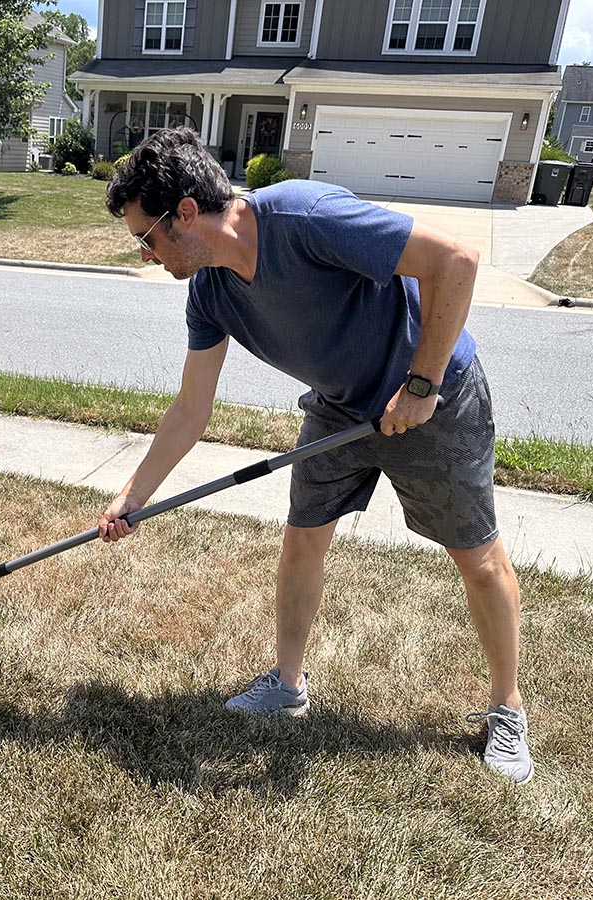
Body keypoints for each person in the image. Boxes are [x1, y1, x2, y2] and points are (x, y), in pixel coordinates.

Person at [96, 127, 532, 784]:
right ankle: (288, 682)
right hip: (341, 407)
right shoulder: (211, 292)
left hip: (433, 396)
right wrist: (134, 496)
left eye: (146, 237)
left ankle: (507, 709)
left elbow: (457, 262)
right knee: (302, 543)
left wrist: (421, 384)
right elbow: (191, 409)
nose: (146, 253)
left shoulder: (302, 217)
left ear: (185, 211)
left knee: (478, 560)